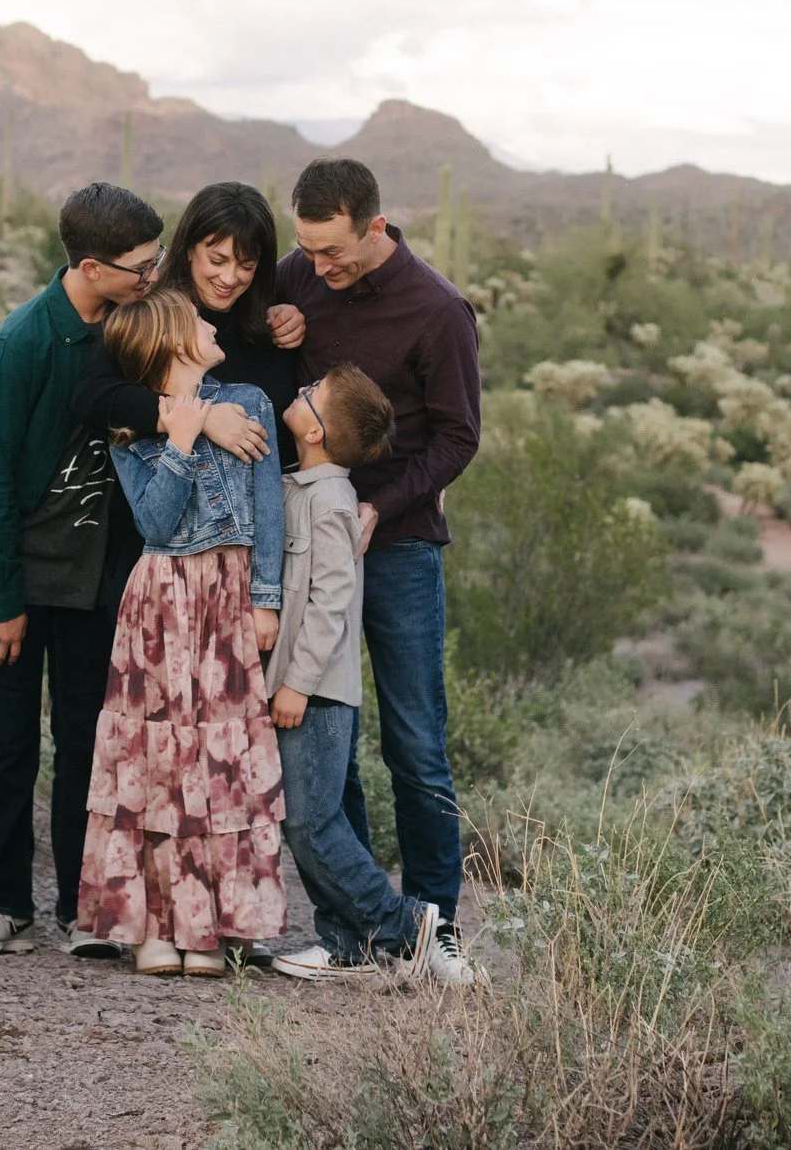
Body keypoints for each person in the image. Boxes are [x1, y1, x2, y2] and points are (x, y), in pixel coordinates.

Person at [273, 157, 482, 985]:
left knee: (415, 741)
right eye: (306, 249)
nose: (317, 266)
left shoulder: (438, 310)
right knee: (332, 734)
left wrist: (377, 507)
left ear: (376, 225)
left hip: (397, 544)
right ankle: (357, 932)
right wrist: (277, 320)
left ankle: (438, 923)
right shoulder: (300, 275)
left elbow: (458, 437)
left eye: (332, 251)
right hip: (311, 539)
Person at [0, 182, 164, 958]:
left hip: (96, 578)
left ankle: (80, 905)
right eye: (140, 266)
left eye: (157, 260)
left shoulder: (137, 324)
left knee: (85, 740)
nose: (152, 276)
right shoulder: (22, 343)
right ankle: (1, 901)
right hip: (19, 578)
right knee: (7, 741)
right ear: (91, 266)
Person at [77, 285, 288, 976]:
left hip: (229, 596)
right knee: (157, 762)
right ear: (173, 341)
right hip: (162, 602)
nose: (211, 322)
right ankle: (151, 927)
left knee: (222, 761)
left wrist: (266, 599)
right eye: (197, 319)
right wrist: (182, 440)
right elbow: (156, 522)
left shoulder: (251, 402)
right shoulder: (131, 431)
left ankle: (213, 925)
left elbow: (269, 508)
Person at [267, 364, 456, 985]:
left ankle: (406, 924)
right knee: (309, 822)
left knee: (312, 824)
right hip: (302, 688)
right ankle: (354, 942)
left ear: (315, 431)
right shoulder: (299, 486)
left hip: (316, 692)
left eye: (309, 394)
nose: (298, 391)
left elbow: (331, 603)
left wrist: (296, 683)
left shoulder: (331, 503)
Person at [72, 180, 303, 471]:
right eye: (217, 260)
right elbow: (93, 398)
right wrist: (200, 418)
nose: (229, 278)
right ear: (189, 248)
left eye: (246, 265)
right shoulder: (153, 315)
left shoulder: (273, 319)